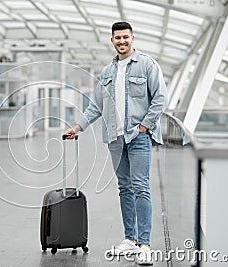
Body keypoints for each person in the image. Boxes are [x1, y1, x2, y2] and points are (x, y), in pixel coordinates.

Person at [63, 21, 167, 265]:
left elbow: (160, 99)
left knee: (141, 187)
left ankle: (144, 245)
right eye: (117, 38)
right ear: (112, 41)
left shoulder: (147, 64)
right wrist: (77, 127)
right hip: (115, 139)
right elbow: (96, 106)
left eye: (125, 37)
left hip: (138, 136)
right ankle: (130, 240)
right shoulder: (107, 72)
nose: (122, 41)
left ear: (133, 38)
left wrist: (144, 126)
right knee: (124, 188)